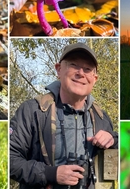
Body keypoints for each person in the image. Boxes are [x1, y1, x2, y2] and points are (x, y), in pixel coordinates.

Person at [10, 43, 118, 189]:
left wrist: (114, 140)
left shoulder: (101, 118)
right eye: (74, 65)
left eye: (87, 69)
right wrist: (50, 174)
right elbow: (10, 159)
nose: (81, 73)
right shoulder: (33, 111)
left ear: (95, 79)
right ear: (59, 69)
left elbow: (117, 165)